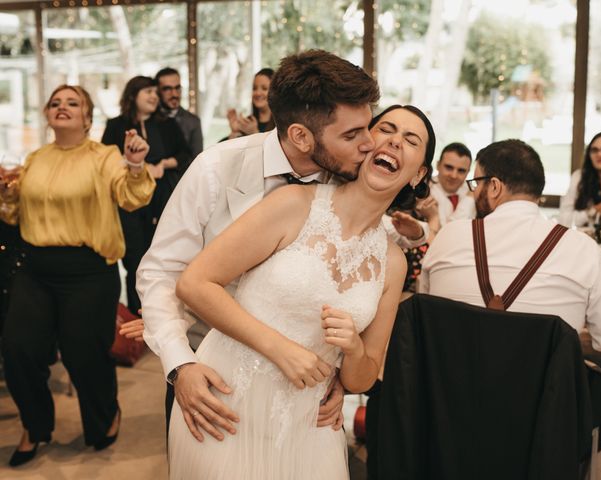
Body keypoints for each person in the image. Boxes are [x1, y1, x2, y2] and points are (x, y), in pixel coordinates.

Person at [137, 50, 429, 445]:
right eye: (353, 134)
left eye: (367, 128)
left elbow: (360, 255)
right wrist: (179, 365)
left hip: (304, 394)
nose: (369, 143)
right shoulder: (217, 168)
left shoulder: (345, 175)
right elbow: (162, 273)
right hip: (207, 364)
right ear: (301, 136)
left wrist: (345, 370)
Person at [0, 85, 154, 467]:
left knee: (83, 353)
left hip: (88, 271)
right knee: (18, 349)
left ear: (87, 117)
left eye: (73, 103)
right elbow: (13, 215)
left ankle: (105, 417)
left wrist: (134, 165)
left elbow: (132, 197)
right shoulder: (35, 158)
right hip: (36, 268)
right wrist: (5, 193)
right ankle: (35, 426)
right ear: (48, 115)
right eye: (55, 102)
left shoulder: (105, 157)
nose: (62, 107)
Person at [419, 138, 601, 356]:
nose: (474, 192)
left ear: (494, 187)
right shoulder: (582, 249)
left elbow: (425, 311)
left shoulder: (448, 237)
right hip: (546, 391)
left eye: (476, 184)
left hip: (448, 387)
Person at [102, 75, 191, 315]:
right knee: (135, 261)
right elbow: (105, 161)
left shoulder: (166, 124)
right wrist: (135, 166)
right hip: (129, 204)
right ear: (133, 96)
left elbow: (185, 154)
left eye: (154, 92)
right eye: (148, 92)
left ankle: (164, 314)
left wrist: (162, 165)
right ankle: (135, 315)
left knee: (163, 259)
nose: (154, 96)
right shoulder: (116, 125)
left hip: (161, 200)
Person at [155, 67, 204, 158]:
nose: (174, 94)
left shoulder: (193, 121)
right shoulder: (150, 119)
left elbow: (197, 159)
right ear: (157, 91)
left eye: (177, 88)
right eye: (167, 89)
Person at [429, 142, 475, 225]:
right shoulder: (424, 191)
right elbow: (448, 232)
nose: (454, 176)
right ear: (438, 165)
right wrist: (469, 200)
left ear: (468, 172)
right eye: (449, 167)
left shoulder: (473, 191)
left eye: (461, 171)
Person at [224, 68, 276, 140]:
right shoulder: (247, 123)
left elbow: (273, 150)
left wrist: (254, 133)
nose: (258, 93)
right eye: (254, 88)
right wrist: (235, 131)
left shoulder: (281, 125)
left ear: (274, 92)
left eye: (264, 88)